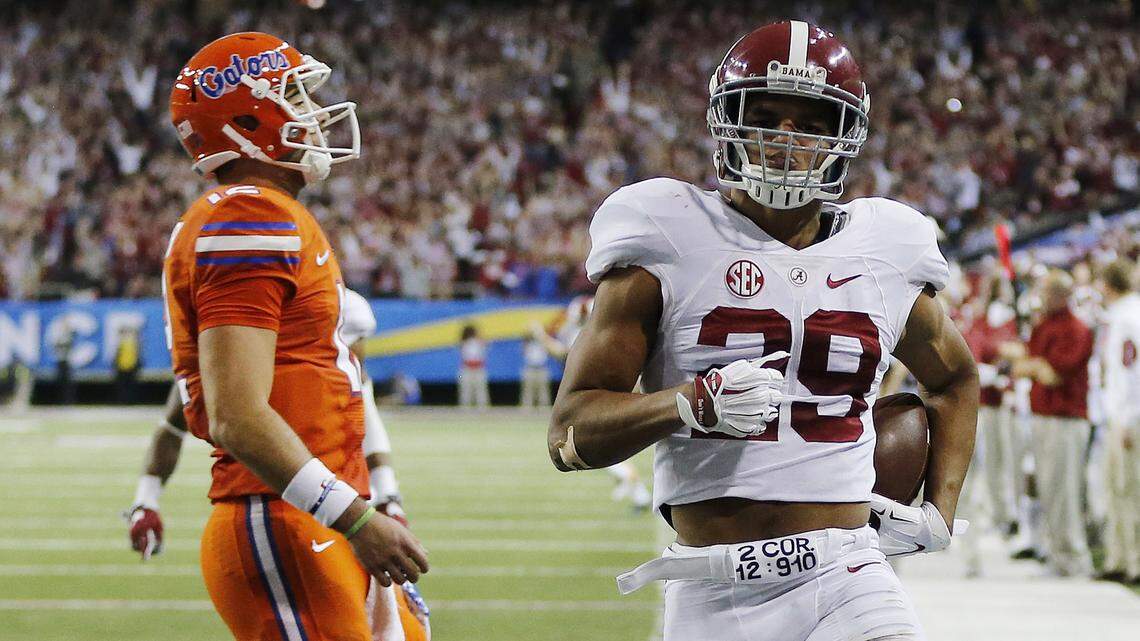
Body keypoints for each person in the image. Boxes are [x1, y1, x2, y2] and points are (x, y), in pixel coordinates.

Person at [548, 21, 977, 640]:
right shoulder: (667, 232)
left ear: (844, 135)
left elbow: (956, 377)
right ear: (726, 121)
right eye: (765, 117)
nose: (785, 140)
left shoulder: (888, 245)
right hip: (712, 586)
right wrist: (686, 404)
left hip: (849, 571)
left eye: (810, 123)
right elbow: (569, 435)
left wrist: (941, 507)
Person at [160, 32, 427, 641]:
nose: (312, 113)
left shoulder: (263, 212)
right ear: (246, 120)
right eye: (294, 96)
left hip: (311, 503)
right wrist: (355, 519)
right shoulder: (247, 216)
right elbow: (237, 416)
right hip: (281, 513)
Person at [127, 287, 430, 639]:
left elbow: (365, 407)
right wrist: (145, 501)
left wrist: (387, 496)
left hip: (345, 512)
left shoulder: (339, 309)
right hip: (279, 514)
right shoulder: (239, 341)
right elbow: (178, 426)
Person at [1010, 270, 1094, 577]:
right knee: (1048, 489)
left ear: (1060, 295)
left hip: (1066, 420)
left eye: (1046, 292)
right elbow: (1025, 366)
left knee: (1065, 492)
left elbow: (1053, 374)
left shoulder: (1076, 329)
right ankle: (1058, 556)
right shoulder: (1043, 325)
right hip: (1043, 417)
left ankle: (1075, 559)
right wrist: (1034, 366)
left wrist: (1033, 366)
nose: (1041, 298)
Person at [535, 298, 651, 512]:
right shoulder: (612, 333)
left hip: (595, 399)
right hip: (605, 396)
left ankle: (631, 482)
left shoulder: (589, 336)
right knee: (597, 447)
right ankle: (638, 492)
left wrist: (541, 335)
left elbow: (561, 352)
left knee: (588, 447)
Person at [1095, 259, 1140, 585]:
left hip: (1128, 417)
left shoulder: (1128, 317)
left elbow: (1130, 372)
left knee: (1129, 488)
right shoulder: (1119, 315)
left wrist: (1126, 417)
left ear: (1108, 284)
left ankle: (1134, 561)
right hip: (1117, 415)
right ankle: (1119, 558)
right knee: (1115, 488)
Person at [457, 323, 489, 408]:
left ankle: (482, 408)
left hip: (479, 368)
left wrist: (480, 339)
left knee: (480, 389)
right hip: (466, 368)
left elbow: (484, 350)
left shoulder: (480, 342)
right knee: (466, 389)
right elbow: (464, 354)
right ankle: (465, 407)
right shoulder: (463, 343)